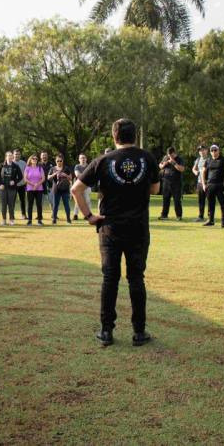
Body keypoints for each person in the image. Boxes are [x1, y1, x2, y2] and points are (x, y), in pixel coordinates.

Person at [71, 118, 160, 347]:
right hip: (138, 228)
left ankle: (106, 331)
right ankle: (139, 332)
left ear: (114, 136)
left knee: (110, 278)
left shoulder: (103, 161)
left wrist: (89, 216)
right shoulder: (147, 158)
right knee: (136, 278)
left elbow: (76, 189)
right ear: (134, 134)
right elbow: (155, 188)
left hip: (110, 228)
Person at [201, 144, 224, 227]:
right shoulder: (208, 160)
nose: (214, 152)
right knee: (211, 203)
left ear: (218, 151)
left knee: (222, 204)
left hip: (220, 185)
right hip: (210, 185)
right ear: (210, 152)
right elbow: (203, 172)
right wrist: (204, 184)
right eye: (212, 150)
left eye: (215, 150)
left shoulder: (223, 159)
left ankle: (223, 221)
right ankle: (210, 220)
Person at [158, 147, 185, 221]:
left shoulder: (179, 159)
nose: (169, 156)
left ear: (174, 153)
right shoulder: (165, 158)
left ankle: (179, 216)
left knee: (177, 200)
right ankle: (164, 215)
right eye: (168, 155)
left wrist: (174, 162)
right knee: (165, 199)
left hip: (176, 183)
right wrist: (165, 163)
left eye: (171, 155)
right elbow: (160, 166)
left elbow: (182, 169)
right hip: (166, 182)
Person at [0, 150, 22, 225]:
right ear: (6, 157)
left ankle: (11, 220)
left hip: (12, 188)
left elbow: (21, 176)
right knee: (3, 204)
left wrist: (15, 181)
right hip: (3, 188)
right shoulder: (1, 165)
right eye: (8, 156)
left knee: (11, 204)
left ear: (12, 157)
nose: (10, 157)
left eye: (11, 156)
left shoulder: (16, 166)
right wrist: (0, 184)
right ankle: (3, 220)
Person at [49, 155, 74, 224]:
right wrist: (54, 174)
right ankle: (54, 219)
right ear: (55, 161)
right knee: (55, 205)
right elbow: (48, 177)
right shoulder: (53, 168)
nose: (59, 162)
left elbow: (71, 178)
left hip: (65, 189)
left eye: (60, 161)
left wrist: (65, 175)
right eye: (57, 161)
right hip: (56, 189)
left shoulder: (66, 168)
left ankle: (68, 219)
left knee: (66, 205)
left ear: (63, 161)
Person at [24, 154, 45, 225]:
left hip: (39, 189)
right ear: (30, 160)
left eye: (36, 159)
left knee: (39, 204)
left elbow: (43, 178)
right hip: (30, 189)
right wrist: (33, 184)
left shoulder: (40, 168)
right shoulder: (27, 168)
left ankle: (39, 220)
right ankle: (29, 220)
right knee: (30, 205)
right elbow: (25, 179)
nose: (35, 160)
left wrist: (37, 184)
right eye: (33, 159)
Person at [191, 145, 210, 222]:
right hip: (199, 183)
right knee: (201, 200)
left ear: (206, 150)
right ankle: (201, 216)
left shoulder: (210, 159)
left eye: (203, 150)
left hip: (208, 182)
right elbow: (193, 168)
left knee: (210, 200)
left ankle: (210, 217)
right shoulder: (198, 159)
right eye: (200, 151)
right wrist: (195, 172)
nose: (201, 152)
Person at [72, 153, 93, 221]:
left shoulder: (89, 166)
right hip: (79, 186)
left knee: (87, 201)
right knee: (78, 201)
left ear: (86, 159)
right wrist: (87, 176)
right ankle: (75, 214)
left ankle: (88, 215)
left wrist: (85, 176)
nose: (83, 159)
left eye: (84, 158)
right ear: (79, 159)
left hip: (87, 186)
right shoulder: (77, 166)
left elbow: (91, 175)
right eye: (81, 158)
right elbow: (77, 175)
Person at [14, 149, 28, 219]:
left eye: (18, 154)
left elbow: (27, 173)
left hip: (22, 184)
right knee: (12, 201)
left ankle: (23, 215)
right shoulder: (10, 163)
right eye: (16, 154)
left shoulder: (24, 163)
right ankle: (11, 215)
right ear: (13, 155)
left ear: (20, 155)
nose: (17, 155)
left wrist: (26, 181)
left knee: (22, 200)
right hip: (13, 185)